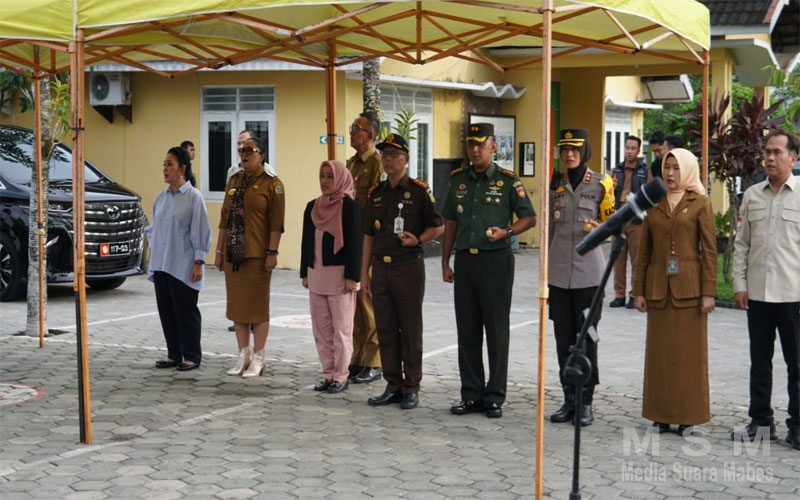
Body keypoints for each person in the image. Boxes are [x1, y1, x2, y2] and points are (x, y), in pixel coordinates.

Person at [442, 123, 536, 419]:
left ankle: (494, 395)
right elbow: (450, 222)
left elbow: (529, 217)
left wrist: (507, 232)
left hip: (496, 262)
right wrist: (445, 262)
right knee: (467, 330)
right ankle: (471, 395)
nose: (475, 150)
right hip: (465, 262)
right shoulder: (458, 180)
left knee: (496, 331)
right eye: (471, 144)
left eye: (481, 144)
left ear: (493, 146)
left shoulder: (507, 180)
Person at [633, 148, 716, 436]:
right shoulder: (653, 202)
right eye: (667, 167)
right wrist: (638, 290)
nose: (670, 173)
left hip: (690, 292)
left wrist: (708, 292)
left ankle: (687, 416)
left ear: (689, 170)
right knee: (659, 356)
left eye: (676, 168)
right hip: (658, 289)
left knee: (688, 357)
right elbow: (644, 251)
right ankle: (660, 415)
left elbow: (710, 251)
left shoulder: (701, 203)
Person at [361, 134, 444, 410]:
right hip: (381, 269)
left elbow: (438, 226)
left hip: (408, 267)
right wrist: (363, 272)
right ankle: (392, 384)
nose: (387, 160)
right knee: (385, 328)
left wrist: (418, 239)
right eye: (384, 155)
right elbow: (368, 235)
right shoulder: (376, 193)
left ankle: (411, 386)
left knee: (409, 328)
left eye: (393, 155)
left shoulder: (419, 191)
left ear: (406, 159)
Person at [731, 130, 800, 450]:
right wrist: (740, 284)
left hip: (793, 295)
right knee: (760, 362)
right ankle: (760, 423)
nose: (770, 158)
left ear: (793, 158)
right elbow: (741, 244)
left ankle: (797, 426)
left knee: (796, 365)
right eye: (767, 152)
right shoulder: (752, 195)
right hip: (758, 294)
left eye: (777, 152)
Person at [548, 128, 615, 427]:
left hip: (589, 276)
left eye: (574, 149)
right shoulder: (555, 184)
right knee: (563, 340)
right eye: (564, 149)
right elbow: (549, 230)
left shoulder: (601, 184)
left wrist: (599, 228)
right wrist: (544, 274)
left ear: (585, 151)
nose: (569, 154)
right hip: (559, 274)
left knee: (586, 339)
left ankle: (586, 401)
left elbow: (613, 225)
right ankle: (569, 400)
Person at [214, 136, 285, 378]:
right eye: (242, 151)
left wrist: (272, 252)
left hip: (257, 255)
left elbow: (276, 223)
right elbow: (224, 219)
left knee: (257, 307)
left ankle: (259, 355)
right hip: (234, 254)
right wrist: (219, 251)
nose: (244, 155)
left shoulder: (272, 184)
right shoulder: (234, 181)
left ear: (262, 155)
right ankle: (243, 353)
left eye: (250, 151)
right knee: (238, 307)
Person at [146, 146, 212, 371]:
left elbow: (201, 230)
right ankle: (173, 354)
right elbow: (155, 230)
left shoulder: (194, 197)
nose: (165, 169)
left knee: (186, 311)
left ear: (182, 169)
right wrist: (151, 256)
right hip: (161, 264)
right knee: (167, 311)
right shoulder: (161, 198)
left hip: (183, 264)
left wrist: (198, 262)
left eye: (170, 164)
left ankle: (192, 355)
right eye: (164, 164)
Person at [301, 160, 362, 394]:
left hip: (340, 278)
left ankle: (341, 375)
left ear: (340, 179)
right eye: (322, 176)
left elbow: (356, 245)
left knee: (341, 330)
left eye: (330, 176)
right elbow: (306, 242)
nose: (325, 181)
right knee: (321, 330)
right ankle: (328, 374)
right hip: (316, 276)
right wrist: (304, 271)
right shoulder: (312, 206)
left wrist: (353, 276)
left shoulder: (350, 208)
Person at [346, 111, 385, 384]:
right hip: (351, 239)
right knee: (356, 303)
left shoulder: (376, 164)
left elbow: (377, 206)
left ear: (369, 135)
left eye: (356, 128)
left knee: (369, 303)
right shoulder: (351, 163)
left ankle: (374, 360)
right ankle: (358, 358)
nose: (351, 132)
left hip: (368, 240)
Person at [610, 136, 652, 309]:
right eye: (627, 147)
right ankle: (619, 295)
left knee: (637, 260)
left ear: (638, 150)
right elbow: (607, 193)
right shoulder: (615, 170)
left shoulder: (645, 172)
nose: (629, 151)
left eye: (633, 148)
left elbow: (649, 197)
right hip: (619, 219)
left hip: (636, 221)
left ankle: (634, 294)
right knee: (618, 259)